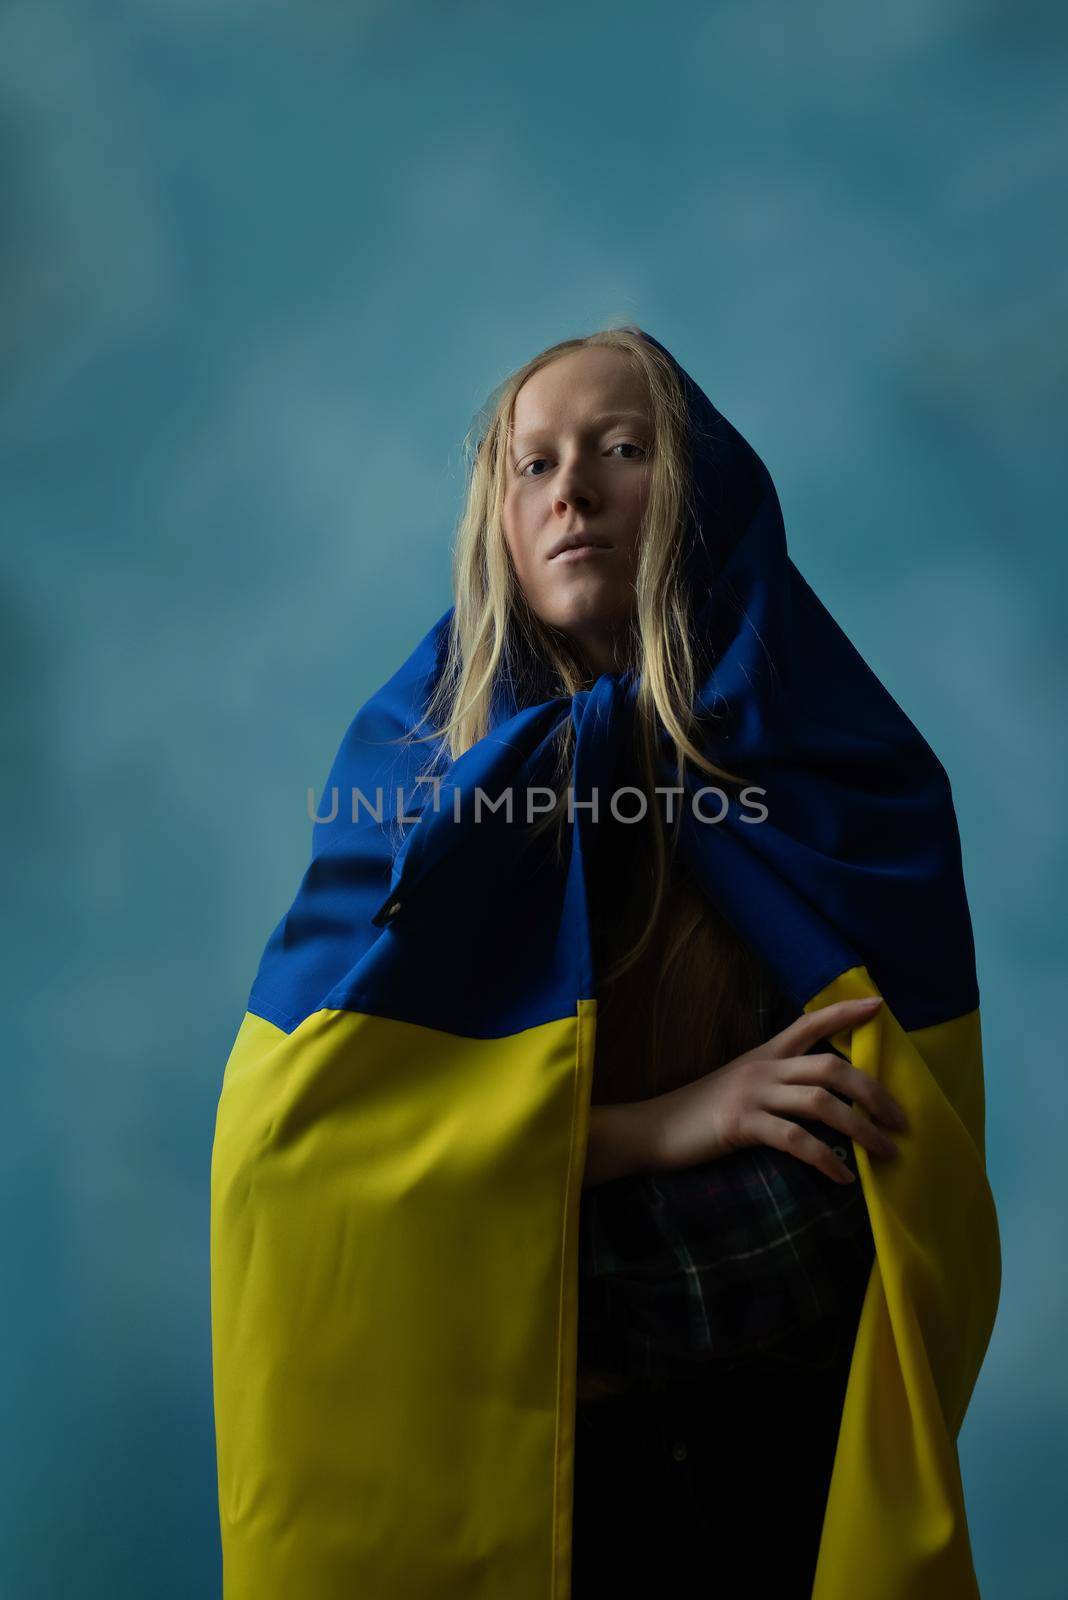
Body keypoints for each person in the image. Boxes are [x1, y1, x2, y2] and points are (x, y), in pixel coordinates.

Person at [493, 332, 908, 1594]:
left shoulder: (809, 777)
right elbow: (341, 1162)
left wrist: (527, 1188)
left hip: (764, 1477)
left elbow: (836, 1212)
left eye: (623, 449)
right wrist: (674, 1125)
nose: (574, 490)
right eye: (535, 463)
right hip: (541, 1495)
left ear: (700, 493)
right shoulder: (436, 802)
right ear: (500, 522)